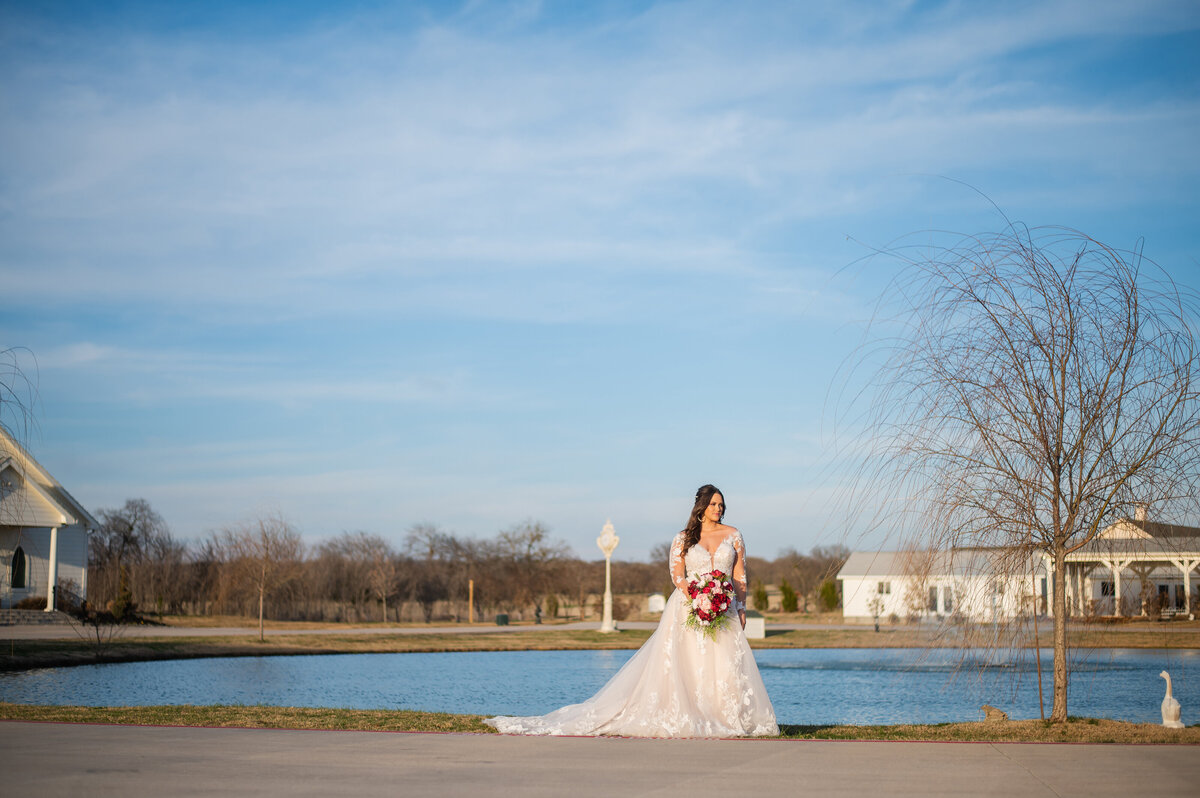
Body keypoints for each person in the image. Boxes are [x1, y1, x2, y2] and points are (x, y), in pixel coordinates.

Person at [484, 484, 779, 737]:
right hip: (689, 607)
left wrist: (740, 607)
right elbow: (677, 576)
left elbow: (740, 576)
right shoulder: (684, 538)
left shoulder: (734, 535)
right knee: (689, 662)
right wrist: (698, 597)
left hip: (724, 607)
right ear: (701, 507)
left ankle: (724, 716)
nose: (719, 507)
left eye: (721, 503)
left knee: (724, 664)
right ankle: (692, 713)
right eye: (713, 503)